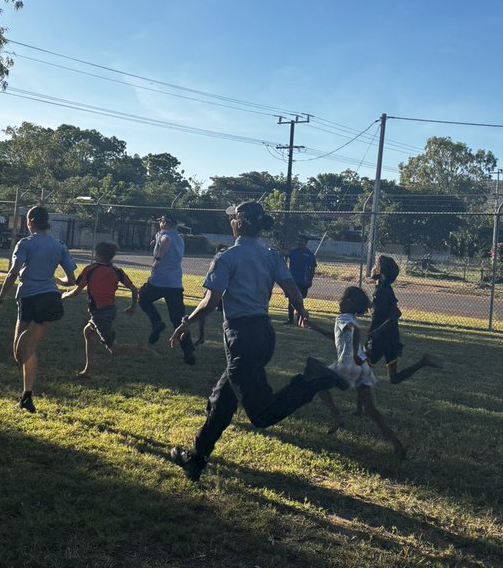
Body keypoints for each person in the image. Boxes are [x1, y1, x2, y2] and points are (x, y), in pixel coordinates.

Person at [167, 201, 349, 482]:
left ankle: (314, 380)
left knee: (262, 416)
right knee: (221, 400)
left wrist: (185, 322)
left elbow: (211, 301)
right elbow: (291, 289)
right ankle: (196, 458)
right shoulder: (271, 256)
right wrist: (302, 311)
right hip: (264, 335)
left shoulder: (227, 257)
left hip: (241, 338)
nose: (231, 223)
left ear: (239, 223)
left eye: (232, 220)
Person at [0, 206, 77, 412]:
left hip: (31, 298)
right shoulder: (59, 245)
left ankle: (27, 396)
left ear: (30, 221)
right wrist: (55, 279)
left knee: (22, 349)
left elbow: (13, 272)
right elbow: (71, 279)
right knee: (21, 352)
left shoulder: (25, 243)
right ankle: (26, 396)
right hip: (49, 299)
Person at [308, 286, 407, 458]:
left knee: (317, 383)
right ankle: (396, 443)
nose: (339, 301)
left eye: (342, 298)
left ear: (349, 302)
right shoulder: (349, 318)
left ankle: (337, 417)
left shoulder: (343, 318)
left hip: (349, 364)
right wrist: (314, 327)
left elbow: (355, 332)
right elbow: (337, 337)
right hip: (363, 366)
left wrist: (354, 353)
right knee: (371, 410)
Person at [61, 241, 142, 376]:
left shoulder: (90, 269)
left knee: (113, 349)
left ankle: (142, 350)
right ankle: (87, 370)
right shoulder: (117, 271)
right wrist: (132, 306)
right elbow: (134, 290)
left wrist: (64, 295)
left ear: (98, 255)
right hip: (110, 310)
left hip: (100, 314)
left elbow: (76, 291)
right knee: (87, 332)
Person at [366, 254, 439, 384]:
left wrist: (378, 331)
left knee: (360, 371)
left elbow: (395, 314)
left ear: (380, 272)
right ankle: (423, 362)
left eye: (375, 266)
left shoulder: (381, 291)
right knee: (393, 378)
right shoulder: (385, 289)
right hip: (392, 338)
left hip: (381, 339)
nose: (372, 268)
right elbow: (385, 309)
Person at [138, 212, 196, 365]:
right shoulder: (180, 238)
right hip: (175, 283)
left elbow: (165, 240)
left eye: (161, 220)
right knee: (178, 319)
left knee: (143, 298)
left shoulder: (165, 235)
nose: (159, 223)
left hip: (159, 280)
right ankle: (188, 351)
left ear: (166, 222)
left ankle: (157, 322)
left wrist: (157, 259)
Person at [286, 234, 317, 324]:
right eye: (298, 240)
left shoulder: (309, 255)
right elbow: (284, 253)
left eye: (302, 241)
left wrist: (310, 280)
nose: (299, 242)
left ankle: (300, 320)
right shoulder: (293, 252)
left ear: (306, 242)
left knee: (299, 300)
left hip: (303, 281)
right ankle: (290, 319)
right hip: (292, 280)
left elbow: (312, 269)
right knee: (291, 300)